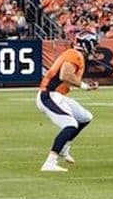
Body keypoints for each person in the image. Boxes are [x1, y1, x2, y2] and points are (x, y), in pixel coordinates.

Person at [35, 32, 99, 172]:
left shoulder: (75, 54)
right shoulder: (75, 55)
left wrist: (85, 84)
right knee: (70, 125)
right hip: (49, 95)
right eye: (93, 44)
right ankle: (50, 162)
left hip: (57, 95)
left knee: (85, 117)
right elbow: (65, 75)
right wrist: (84, 86)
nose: (94, 48)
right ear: (87, 44)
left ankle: (64, 146)